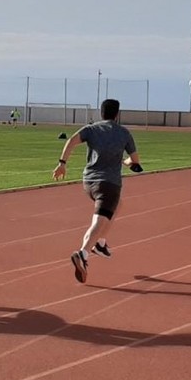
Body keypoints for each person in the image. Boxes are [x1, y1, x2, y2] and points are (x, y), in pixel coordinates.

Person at [52, 98, 142, 284]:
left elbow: (71, 141)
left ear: (101, 113)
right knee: (100, 220)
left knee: (118, 206)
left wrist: (62, 164)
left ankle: (100, 244)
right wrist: (127, 162)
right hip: (109, 184)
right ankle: (83, 253)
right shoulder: (124, 133)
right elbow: (135, 160)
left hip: (89, 182)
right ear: (117, 114)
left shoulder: (91, 129)